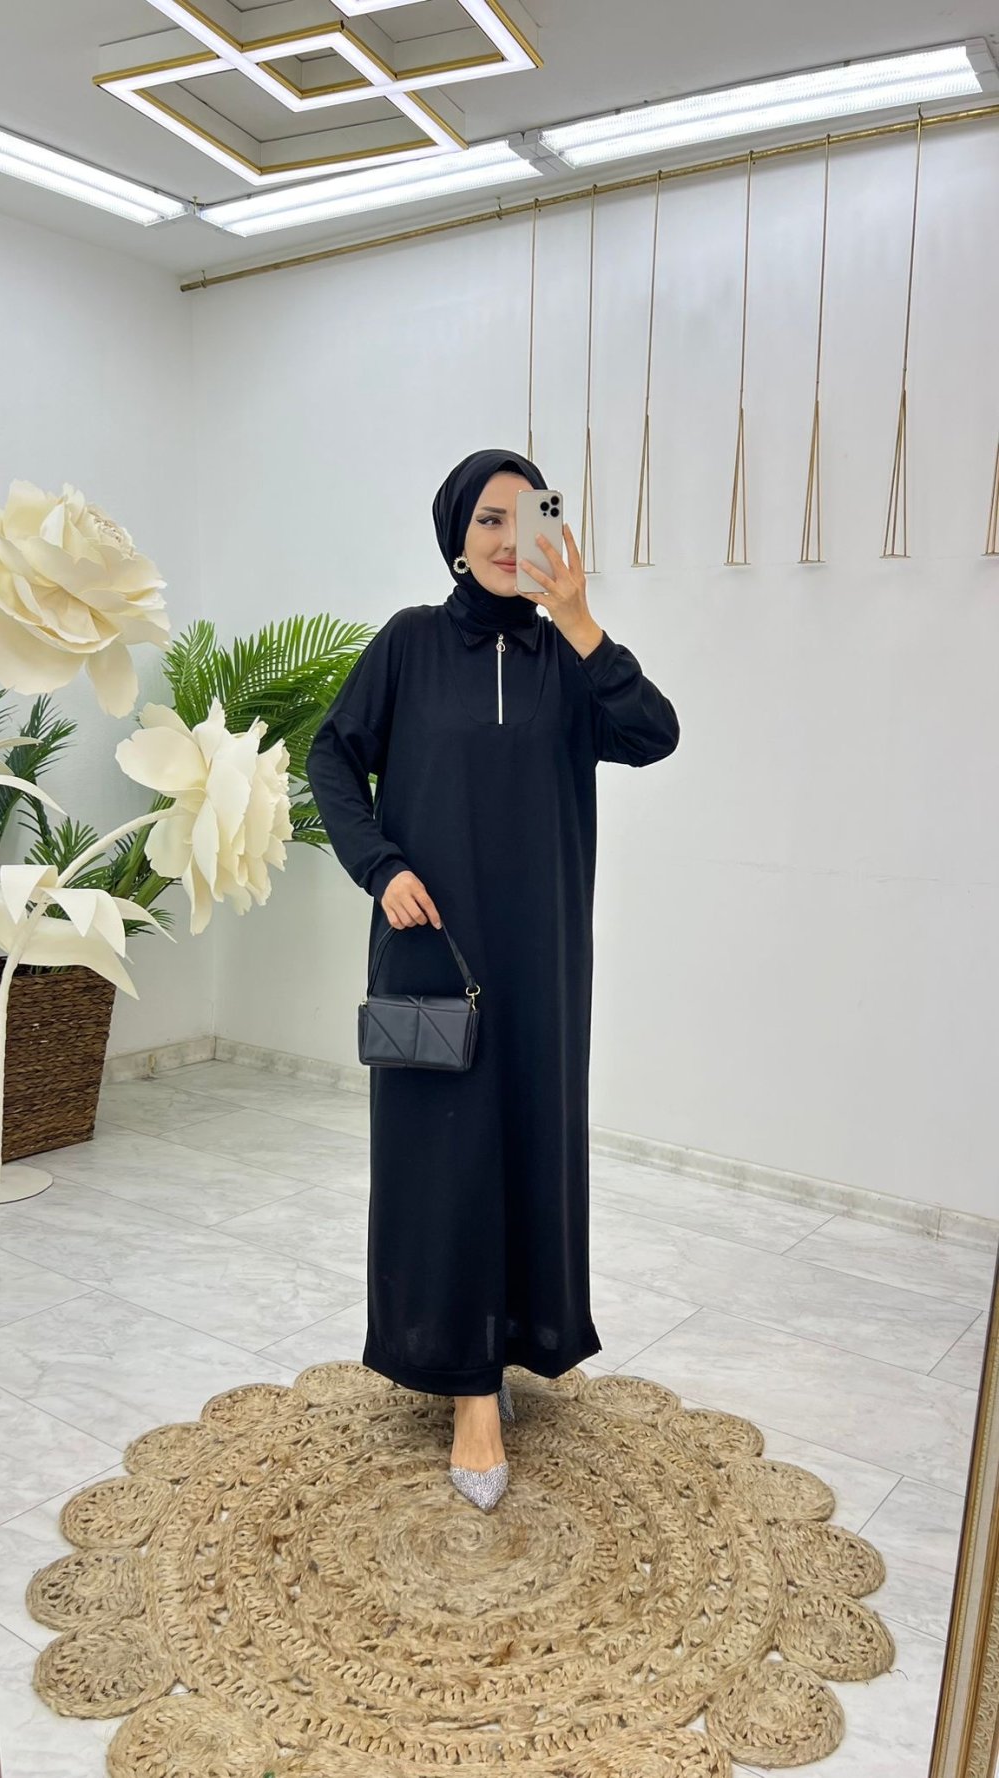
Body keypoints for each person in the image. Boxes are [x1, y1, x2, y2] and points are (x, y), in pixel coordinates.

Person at [305, 447, 680, 1511]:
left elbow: (654, 734)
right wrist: (381, 866)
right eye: (489, 521)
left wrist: (583, 622)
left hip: (543, 952)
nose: (512, 541)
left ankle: (510, 1339)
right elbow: (332, 757)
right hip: (434, 944)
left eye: (530, 518)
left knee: (527, 1139)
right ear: (456, 540)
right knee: (443, 1152)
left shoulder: (570, 660)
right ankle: (466, 1385)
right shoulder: (410, 643)